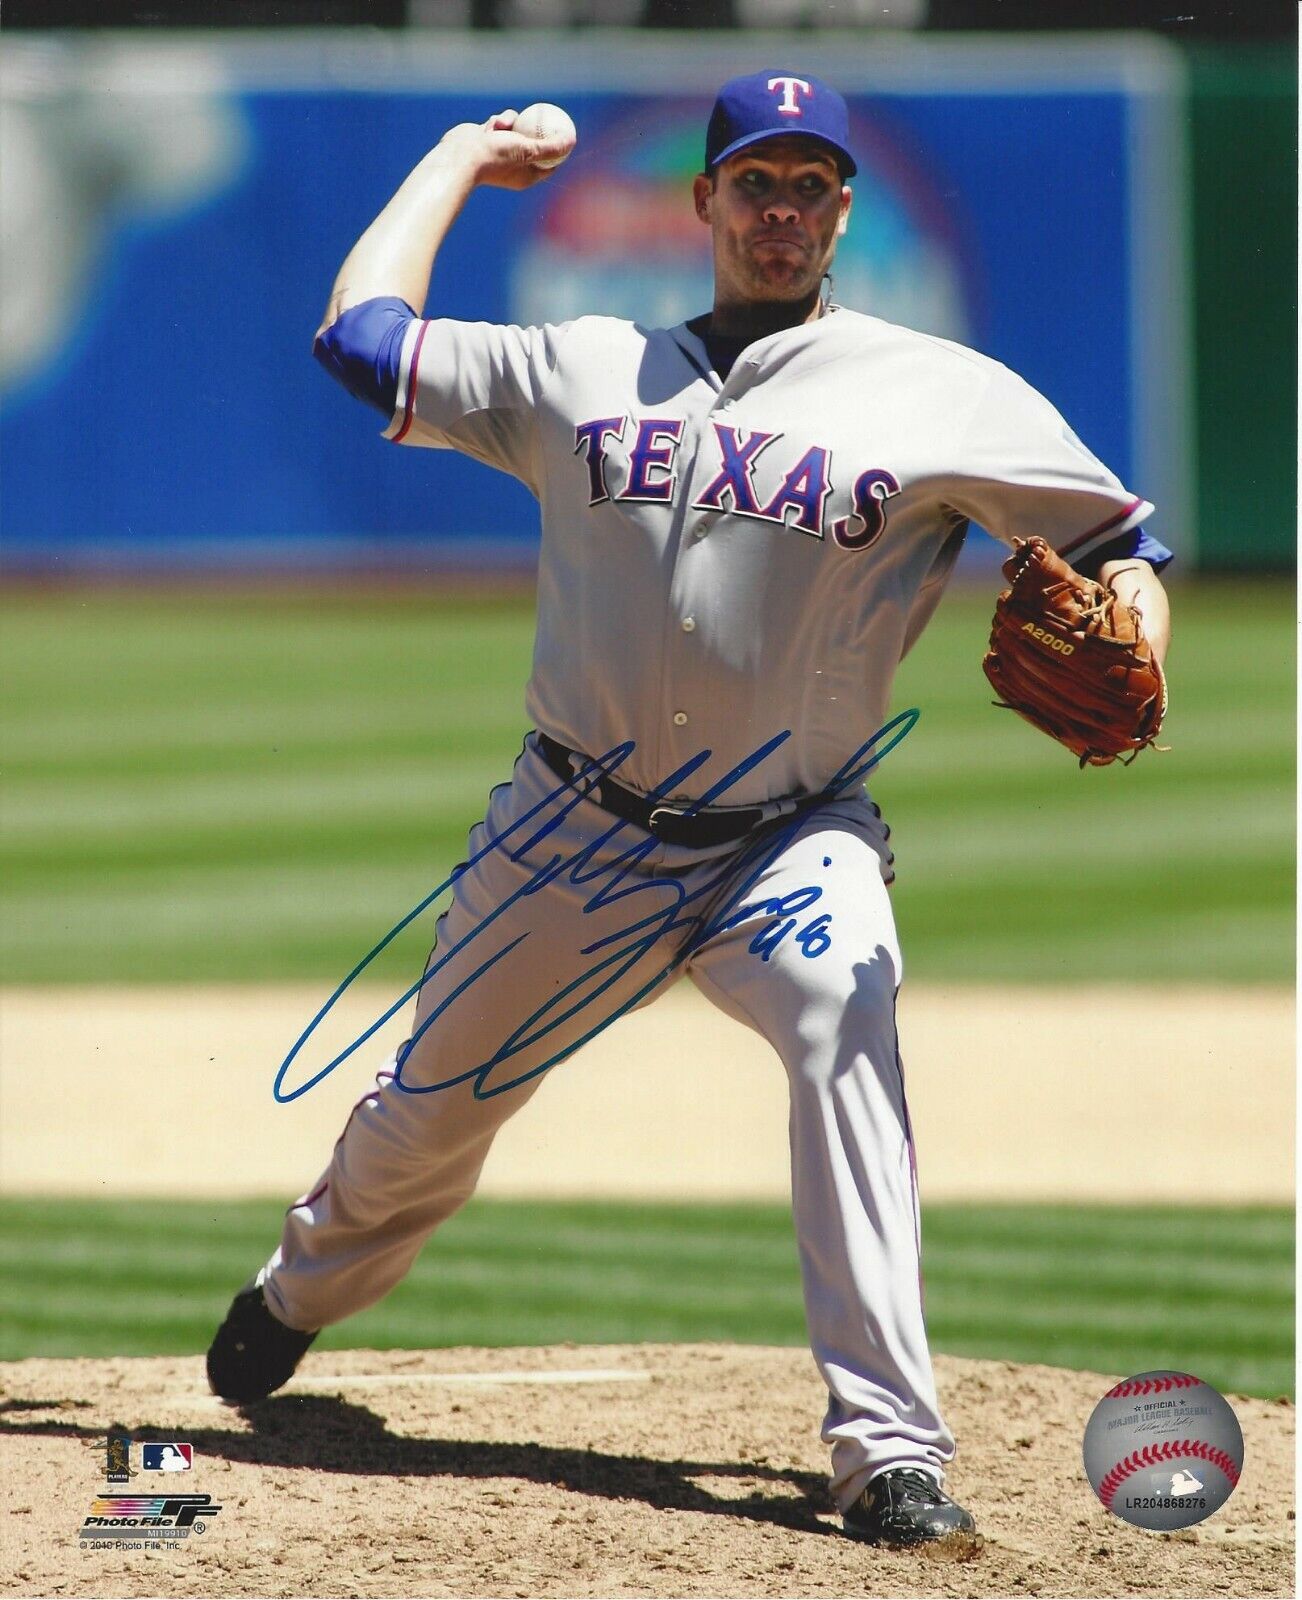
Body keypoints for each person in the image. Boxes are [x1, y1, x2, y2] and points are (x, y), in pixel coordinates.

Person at [207, 71, 1172, 1549]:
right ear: (705, 201)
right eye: (757, 184)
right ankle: (297, 1294)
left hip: (787, 840)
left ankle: (885, 1452)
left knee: (843, 1016)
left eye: (811, 187)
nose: (782, 212)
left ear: (841, 211)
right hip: (566, 835)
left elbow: (1120, 540)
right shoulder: (584, 363)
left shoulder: (941, 391)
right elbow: (360, 340)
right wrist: (461, 155)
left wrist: (1139, 634)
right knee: (426, 1129)